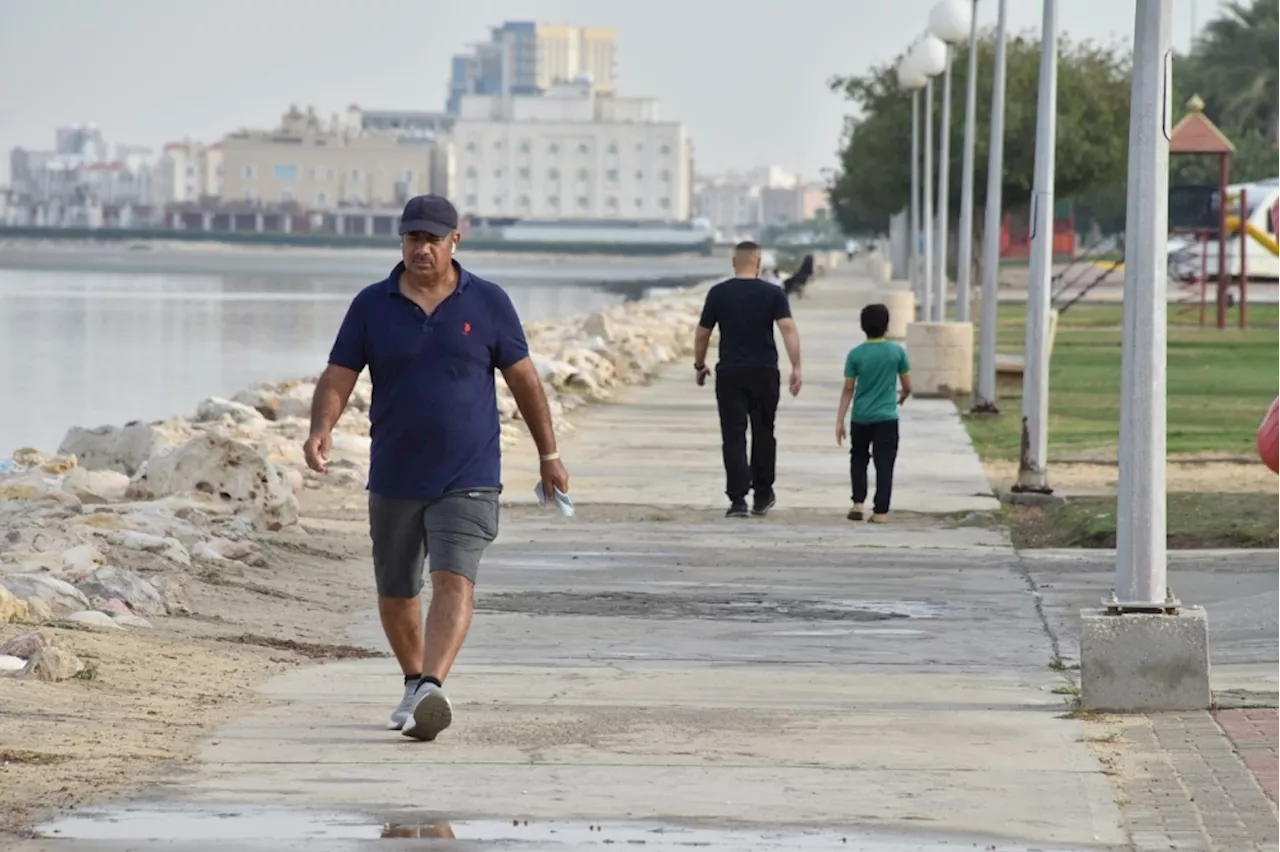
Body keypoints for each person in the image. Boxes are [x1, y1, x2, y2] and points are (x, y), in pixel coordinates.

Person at [303, 194, 570, 742]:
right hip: (396, 471)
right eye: (412, 238)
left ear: (455, 240)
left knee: (454, 578)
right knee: (398, 588)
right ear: (401, 241)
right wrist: (321, 427)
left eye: (432, 238)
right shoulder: (371, 305)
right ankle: (413, 681)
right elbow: (338, 375)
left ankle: (431, 686)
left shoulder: (489, 302)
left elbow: (524, 381)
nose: (421, 248)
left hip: (469, 472)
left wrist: (549, 455)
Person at [693, 241, 803, 518]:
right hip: (765, 370)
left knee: (733, 435)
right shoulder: (773, 293)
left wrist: (699, 364)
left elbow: (702, 333)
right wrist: (796, 366)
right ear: (759, 261)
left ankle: (738, 499)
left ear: (733, 261)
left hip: (730, 372)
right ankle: (763, 494)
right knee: (764, 432)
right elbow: (787, 328)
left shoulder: (719, 293)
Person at [835, 303, 911, 523]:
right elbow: (907, 384)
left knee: (858, 459)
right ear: (887, 326)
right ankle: (880, 512)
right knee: (884, 462)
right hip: (887, 418)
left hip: (861, 417)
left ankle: (858, 504)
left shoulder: (855, 355)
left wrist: (840, 420)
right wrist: (903, 395)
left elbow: (848, 389)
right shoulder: (897, 352)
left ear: (862, 326)